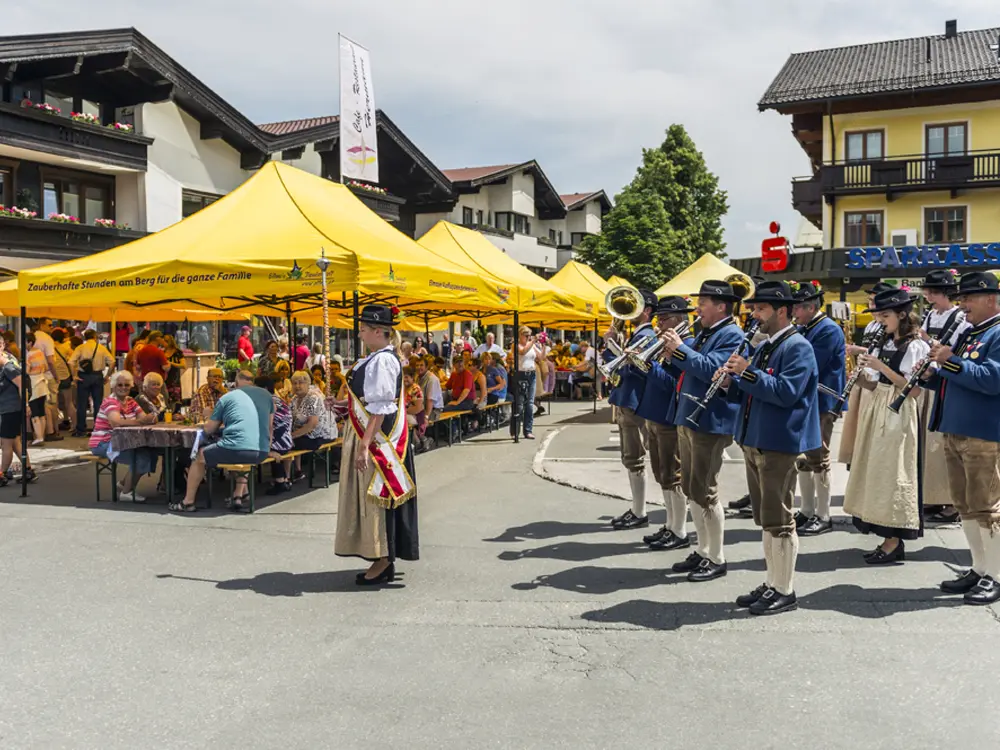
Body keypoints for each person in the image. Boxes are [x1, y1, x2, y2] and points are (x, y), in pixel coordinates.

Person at [723, 280, 820, 615]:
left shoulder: (797, 347)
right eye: (754, 308)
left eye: (761, 308)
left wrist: (747, 374)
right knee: (766, 518)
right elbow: (752, 390)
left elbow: (786, 392)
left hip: (779, 440)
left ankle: (785, 589)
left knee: (780, 519)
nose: (755, 314)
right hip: (756, 438)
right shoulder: (765, 345)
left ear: (782, 311)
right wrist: (729, 381)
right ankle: (772, 581)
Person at [658, 280, 743, 580]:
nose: (697, 308)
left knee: (705, 490)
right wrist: (670, 356)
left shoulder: (732, 334)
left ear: (721, 306)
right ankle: (703, 549)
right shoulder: (707, 332)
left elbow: (713, 371)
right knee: (692, 488)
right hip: (690, 415)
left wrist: (680, 350)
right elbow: (688, 368)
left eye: (703, 302)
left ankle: (716, 556)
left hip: (710, 420)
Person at [924, 271, 1000, 604]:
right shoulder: (973, 333)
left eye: (968, 298)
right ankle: (979, 567)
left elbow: (992, 379)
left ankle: (996, 574)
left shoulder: (997, 333)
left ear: (991, 299)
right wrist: (932, 375)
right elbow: (958, 377)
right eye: (962, 298)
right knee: (966, 506)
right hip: (957, 430)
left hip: (983, 433)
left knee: (987, 508)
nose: (962, 305)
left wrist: (951, 362)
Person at [843, 287, 929, 564]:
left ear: (902, 314)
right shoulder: (885, 341)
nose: (880, 320)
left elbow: (913, 391)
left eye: (885, 315)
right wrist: (859, 378)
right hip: (878, 406)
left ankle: (894, 541)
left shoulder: (916, 346)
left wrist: (880, 366)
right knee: (876, 471)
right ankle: (885, 536)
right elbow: (875, 382)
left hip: (899, 410)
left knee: (893, 474)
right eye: (878, 315)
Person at [334, 304, 418, 585]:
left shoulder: (383, 361)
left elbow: (381, 408)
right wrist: (337, 405)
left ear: (378, 332)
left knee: (377, 498)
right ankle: (378, 555)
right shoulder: (373, 359)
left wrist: (364, 446)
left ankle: (383, 559)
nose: (360, 333)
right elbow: (364, 402)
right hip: (365, 434)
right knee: (371, 498)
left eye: (364, 329)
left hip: (377, 440)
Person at [170, 370, 271, 513]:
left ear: (235, 383)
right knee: (241, 450)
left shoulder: (227, 397)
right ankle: (239, 493)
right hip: (262, 450)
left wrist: (205, 426)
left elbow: (210, 429)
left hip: (238, 449)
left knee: (199, 456)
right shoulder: (266, 396)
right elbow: (270, 426)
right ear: (252, 382)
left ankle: (188, 502)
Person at [790, 280, 846, 536]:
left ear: (810, 307)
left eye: (797, 309)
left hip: (823, 401)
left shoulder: (827, 330)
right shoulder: (806, 328)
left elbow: (809, 362)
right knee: (804, 457)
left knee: (819, 456)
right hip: (808, 400)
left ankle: (823, 514)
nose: (794, 314)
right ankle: (807, 509)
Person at [639, 296, 693, 552]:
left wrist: (649, 365)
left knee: (674, 475)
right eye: (658, 319)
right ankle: (671, 525)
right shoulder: (664, 345)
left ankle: (679, 530)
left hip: (669, 417)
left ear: (679, 319)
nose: (658, 324)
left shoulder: (687, 344)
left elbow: (674, 385)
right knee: (663, 475)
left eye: (664, 319)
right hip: (656, 414)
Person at [919, 269, 970, 523]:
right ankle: (933, 495)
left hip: (946, 376)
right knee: (931, 443)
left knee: (942, 445)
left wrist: (927, 340)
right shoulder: (931, 314)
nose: (928, 295)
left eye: (933, 291)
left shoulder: (959, 316)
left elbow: (952, 348)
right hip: (932, 378)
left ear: (944, 293)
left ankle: (952, 502)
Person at [605, 289, 658, 529]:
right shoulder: (638, 334)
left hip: (635, 401)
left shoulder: (646, 335)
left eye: (637, 306)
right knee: (631, 457)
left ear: (647, 311)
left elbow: (634, 367)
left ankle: (639, 511)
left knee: (634, 458)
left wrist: (613, 346)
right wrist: (612, 344)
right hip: (629, 399)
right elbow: (619, 364)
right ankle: (637, 509)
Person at [89, 371, 158, 501]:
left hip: (125, 441)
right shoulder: (111, 402)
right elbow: (116, 423)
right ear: (114, 386)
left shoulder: (130, 401)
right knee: (141, 458)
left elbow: (144, 417)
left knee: (151, 453)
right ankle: (126, 492)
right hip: (104, 443)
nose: (123, 388)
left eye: (126, 385)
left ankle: (123, 484)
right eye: (120, 385)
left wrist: (150, 418)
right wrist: (141, 421)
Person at [69, 329, 115, 437]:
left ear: (85, 337)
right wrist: (107, 375)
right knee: (98, 403)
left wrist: (74, 376)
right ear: (95, 337)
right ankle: (98, 428)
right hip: (97, 376)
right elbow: (112, 362)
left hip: (83, 377)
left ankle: (81, 430)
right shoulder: (101, 348)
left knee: (82, 404)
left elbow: (71, 362)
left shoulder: (80, 348)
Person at [259, 374, 295, 495]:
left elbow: (269, 426)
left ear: (263, 389)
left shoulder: (268, 401)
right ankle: (284, 479)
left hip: (278, 443)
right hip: (287, 441)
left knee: (266, 447)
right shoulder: (278, 399)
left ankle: (280, 481)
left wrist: (267, 448)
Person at [511, 326, 544, 440]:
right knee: (519, 405)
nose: (528, 337)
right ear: (520, 335)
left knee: (530, 404)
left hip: (532, 374)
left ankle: (528, 430)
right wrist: (533, 340)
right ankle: (515, 431)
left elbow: (541, 357)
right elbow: (522, 351)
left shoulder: (532, 345)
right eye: (526, 335)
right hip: (520, 374)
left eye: (529, 335)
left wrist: (545, 345)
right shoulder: (516, 345)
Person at [25, 332, 52, 446]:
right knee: (41, 410)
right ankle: (42, 436)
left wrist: (31, 371)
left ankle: (39, 436)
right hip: (42, 382)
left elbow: (26, 371)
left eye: (25, 342)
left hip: (33, 384)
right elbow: (46, 367)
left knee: (34, 411)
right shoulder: (40, 352)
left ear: (30, 342)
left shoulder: (28, 355)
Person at [51, 328, 75, 432]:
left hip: (54, 378)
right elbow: (72, 361)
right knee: (69, 403)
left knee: (54, 404)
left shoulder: (49, 348)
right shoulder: (66, 348)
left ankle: (55, 428)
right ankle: (74, 425)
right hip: (65, 377)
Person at [417, 356, 443, 423]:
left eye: (421, 365)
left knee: (415, 421)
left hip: (433, 411)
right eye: (417, 365)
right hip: (421, 407)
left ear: (426, 367)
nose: (418, 367)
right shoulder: (418, 377)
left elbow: (430, 400)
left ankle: (417, 433)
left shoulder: (432, 379)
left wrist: (426, 416)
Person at [162, 334, 186, 407]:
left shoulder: (177, 352)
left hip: (175, 379)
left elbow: (183, 365)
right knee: (165, 400)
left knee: (175, 400)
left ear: (171, 341)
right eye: (164, 341)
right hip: (164, 379)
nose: (165, 343)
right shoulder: (162, 352)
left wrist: (171, 363)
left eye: (167, 341)